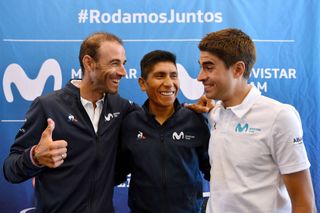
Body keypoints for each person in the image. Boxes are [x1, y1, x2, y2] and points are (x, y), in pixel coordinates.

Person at [3, 32, 138, 212]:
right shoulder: (48, 106)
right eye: (114, 63)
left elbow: (158, 121)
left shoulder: (122, 108)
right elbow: (10, 169)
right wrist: (35, 157)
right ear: (88, 62)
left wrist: (185, 112)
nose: (123, 72)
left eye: (123, 64)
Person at [196, 28, 316, 212]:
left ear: (238, 69)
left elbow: (303, 203)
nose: (200, 76)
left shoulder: (279, 117)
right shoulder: (216, 113)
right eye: (201, 67)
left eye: (209, 67)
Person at [116, 50, 211, 212]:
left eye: (174, 76)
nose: (169, 83)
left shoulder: (195, 120)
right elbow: (115, 173)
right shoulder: (130, 123)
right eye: (160, 76)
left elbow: (213, 169)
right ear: (142, 83)